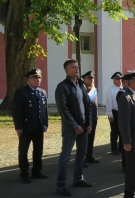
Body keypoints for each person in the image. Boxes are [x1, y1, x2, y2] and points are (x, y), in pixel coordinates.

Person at [55, 59, 93, 197]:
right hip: (70, 128)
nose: (77, 69)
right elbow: (63, 110)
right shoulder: (62, 87)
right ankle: (60, 186)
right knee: (65, 157)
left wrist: (89, 124)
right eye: (73, 67)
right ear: (66, 70)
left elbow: (88, 106)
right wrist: (74, 125)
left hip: (84, 127)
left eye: (77, 67)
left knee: (82, 154)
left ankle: (78, 179)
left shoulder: (81, 85)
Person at [13, 69, 48, 184]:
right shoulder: (21, 92)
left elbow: (44, 110)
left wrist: (45, 123)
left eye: (39, 78)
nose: (38, 80)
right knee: (23, 151)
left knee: (38, 151)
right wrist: (18, 127)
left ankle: (37, 171)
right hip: (26, 127)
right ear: (28, 80)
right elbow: (17, 111)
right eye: (35, 78)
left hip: (38, 127)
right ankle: (24, 173)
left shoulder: (42, 92)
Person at [81, 71, 100, 168]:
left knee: (91, 138)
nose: (91, 79)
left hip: (93, 118)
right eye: (89, 78)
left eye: (92, 78)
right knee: (84, 140)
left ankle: (89, 156)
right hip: (84, 119)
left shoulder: (94, 90)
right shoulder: (81, 89)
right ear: (84, 79)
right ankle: (82, 159)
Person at [106, 71, 123, 155]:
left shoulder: (123, 89)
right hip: (114, 112)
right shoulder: (111, 90)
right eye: (117, 79)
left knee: (122, 131)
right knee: (114, 132)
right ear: (114, 81)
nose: (119, 80)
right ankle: (114, 149)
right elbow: (108, 103)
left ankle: (121, 147)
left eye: (120, 79)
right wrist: (110, 114)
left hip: (122, 112)